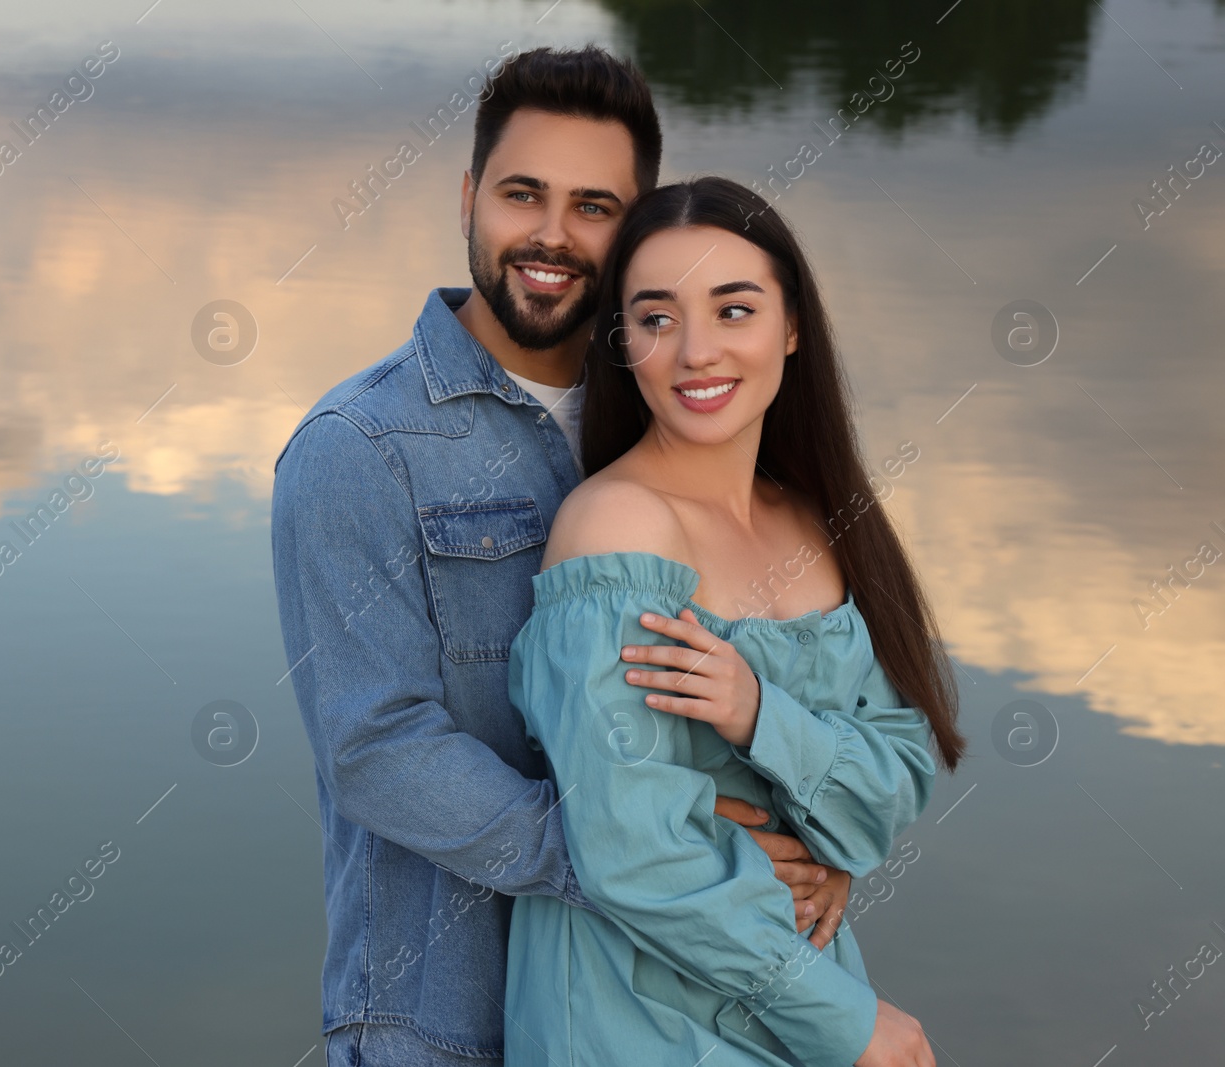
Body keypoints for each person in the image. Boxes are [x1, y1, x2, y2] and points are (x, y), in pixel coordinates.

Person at [273, 49, 866, 1067]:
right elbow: (377, 749)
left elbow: (767, 673)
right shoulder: (357, 449)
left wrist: (818, 843)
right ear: (469, 198)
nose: (550, 234)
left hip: (664, 1008)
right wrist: (642, 854)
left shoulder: (681, 411)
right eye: (521, 194)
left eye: (593, 205)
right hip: (446, 1024)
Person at [502, 176, 967, 1067]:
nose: (695, 354)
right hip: (637, 1015)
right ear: (624, 342)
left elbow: (895, 782)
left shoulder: (817, 521)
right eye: (657, 318)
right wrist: (848, 1019)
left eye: (734, 310)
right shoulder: (617, 530)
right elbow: (631, 851)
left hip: (793, 983)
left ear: (791, 326)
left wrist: (762, 715)